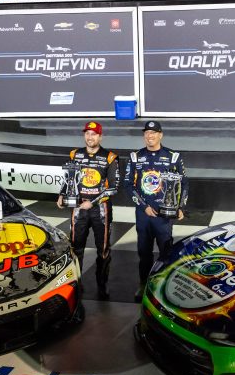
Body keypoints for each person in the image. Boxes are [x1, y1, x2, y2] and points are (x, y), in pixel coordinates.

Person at [123, 121, 188, 302]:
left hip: (164, 215)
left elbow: (184, 183)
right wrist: (143, 206)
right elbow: (128, 185)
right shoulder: (135, 157)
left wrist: (180, 207)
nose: (149, 136)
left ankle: (164, 285)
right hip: (144, 214)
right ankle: (144, 284)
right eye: (147, 133)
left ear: (161, 135)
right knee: (144, 253)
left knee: (166, 253)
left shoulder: (173, 156)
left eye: (153, 133)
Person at [56, 121, 119, 300]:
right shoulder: (75, 154)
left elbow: (113, 188)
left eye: (94, 134)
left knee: (103, 249)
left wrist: (93, 202)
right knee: (76, 248)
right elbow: (69, 178)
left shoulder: (110, 157)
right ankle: (76, 283)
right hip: (78, 208)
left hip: (101, 210)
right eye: (87, 134)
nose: (90, 137)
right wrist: (62, 194)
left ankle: (102, 285)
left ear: (100, 136)